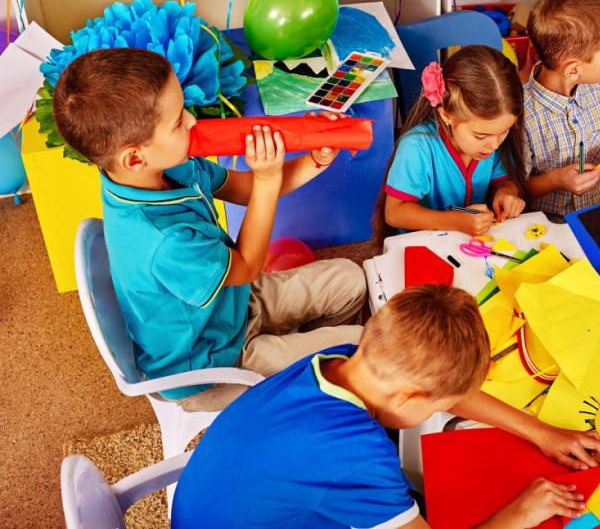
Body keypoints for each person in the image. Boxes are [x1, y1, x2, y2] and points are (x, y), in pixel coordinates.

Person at [53, 48, 366, 412]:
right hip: (214, 367)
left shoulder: (168, 167)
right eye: (177, 121)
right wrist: (267, 180)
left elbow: (245, 189)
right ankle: (311, 390)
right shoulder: (164, 242)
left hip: (232, 305)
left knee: (351, 279)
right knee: (360, 345)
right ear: (135, 157)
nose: (191, 121)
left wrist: (314, 156)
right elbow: (248, 265)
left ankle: (308, 368)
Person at [171, 284, 600, 528]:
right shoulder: (359, 456)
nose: (445, 409)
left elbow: (447, 390)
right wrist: (522, 512)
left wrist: (540, 431)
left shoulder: (344, 359)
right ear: (409, 398)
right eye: (438, 406)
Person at [375, 45, 528, 240]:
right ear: (446, 115)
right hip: (424, 244)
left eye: (504, 132)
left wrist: (506, 192)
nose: (494, 145)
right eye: (480, 136)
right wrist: (457, 221)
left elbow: (503, 179)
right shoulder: (417, 146)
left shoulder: (492, 135)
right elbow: (394, 213)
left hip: (471, 243)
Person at [523, 0, 600, 218]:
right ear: (573, 70)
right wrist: (557, 180)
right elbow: (515, 188)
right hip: (552, 220)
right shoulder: (521, 113)